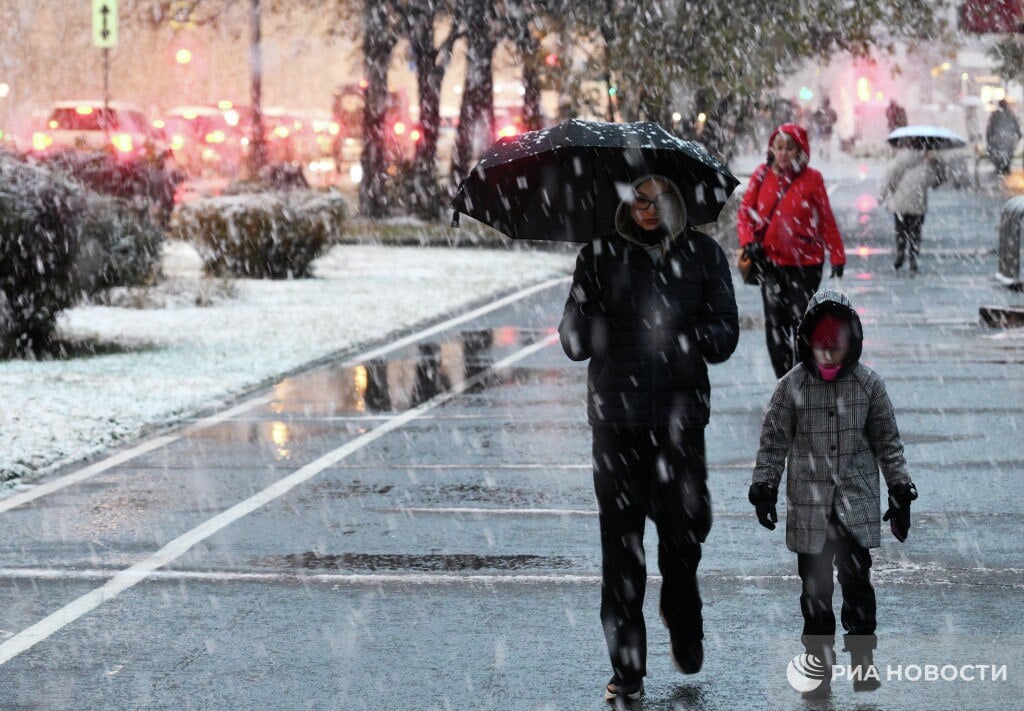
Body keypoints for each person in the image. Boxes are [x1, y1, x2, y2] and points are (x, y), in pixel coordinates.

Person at [558, 174, 739, 702]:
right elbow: (571, 335)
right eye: (637, 197)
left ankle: (684, 618)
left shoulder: (704, 255)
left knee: (683, 540)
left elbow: (725, 331)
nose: (645, 207)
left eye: (656, 197)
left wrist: (686, 339)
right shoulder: (598, 256)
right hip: (616, 424)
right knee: (621, 551)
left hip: (680, 422)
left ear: (675, 200)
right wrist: (596, 330)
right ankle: (628, 667)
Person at [747, 288, 918, 697]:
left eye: (835, 349)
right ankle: (818, 664)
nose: (827, 358)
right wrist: (764, 486)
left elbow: (887, 442)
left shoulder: (868, 386)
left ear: (851, 345)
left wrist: (899, 489)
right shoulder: (790, 388)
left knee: (858, 586)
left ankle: (862, 659)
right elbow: (773, 443)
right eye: (820, 349)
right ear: (806, 345)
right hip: (810, 508)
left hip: (855, 505)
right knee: (815, 591)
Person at [736, 123, 846, 379]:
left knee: (801, 324)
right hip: (771, 263)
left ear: (800, 151)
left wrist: (837, 255)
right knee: (775, 324)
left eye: (790, 148)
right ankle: (784, 381)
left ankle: (802, 377)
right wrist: (748, 240)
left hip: (805, 264)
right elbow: (745, 214)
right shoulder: (761, 175)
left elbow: (826, 219)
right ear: (772, 149)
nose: (783, 153)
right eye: (779, 147)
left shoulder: (812, 179)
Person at [879, 147, 944, 273]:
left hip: (900, 203)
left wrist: (882, 196)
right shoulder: (925, 168)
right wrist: (936, 166)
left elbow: (889, 180)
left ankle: (900, 251)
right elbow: (934, 182)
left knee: (900, 230)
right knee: (915, 232)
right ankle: (913, 258)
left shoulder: (898, 164)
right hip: (917, 205)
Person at [985, 99, 1021, 175]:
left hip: (998, 139)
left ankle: (1000, 167)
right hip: (1008, 139)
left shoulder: (995, 114)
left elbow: (990, 127)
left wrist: (989, 137)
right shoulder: (1010, 114)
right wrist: (1018, 134)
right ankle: (1005, 166)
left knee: (999, 153)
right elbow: (1015, 125)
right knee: (1008, 153)